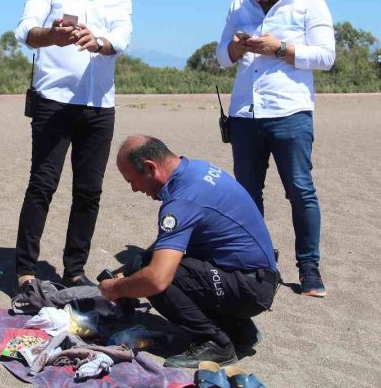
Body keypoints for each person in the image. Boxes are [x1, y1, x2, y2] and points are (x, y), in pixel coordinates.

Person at [14, 0, 133, 289]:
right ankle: (24, 269)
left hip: (99, 107)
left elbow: (123, 37)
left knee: (88, 191)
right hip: (53, 102)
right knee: (42, 185)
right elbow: (24, 30)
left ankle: (74, 268)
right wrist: (52, 36)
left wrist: (97, 42)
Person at [216, 0, 336, 297]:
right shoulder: (239, 5)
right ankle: (257, 263)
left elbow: (326, 56)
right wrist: (238, 47)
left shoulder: (310, 2)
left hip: (290, 112)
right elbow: (221, 56)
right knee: (247, 194)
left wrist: (280, 49)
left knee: (300, 190)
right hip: (245, 114)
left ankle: (309, 269)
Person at [100, 136, 279, 368]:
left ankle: (216, 343)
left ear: (149, 167)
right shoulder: (197, 169)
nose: (134, 189)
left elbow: (156, 279)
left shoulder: (181, 202)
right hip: (257, 277)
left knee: (151, 274)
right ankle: (240, 330)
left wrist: (114, 288)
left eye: (132, 181)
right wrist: (129, 271)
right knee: (142, 263)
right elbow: (172, 241)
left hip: (249, 288)